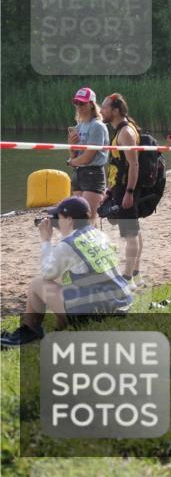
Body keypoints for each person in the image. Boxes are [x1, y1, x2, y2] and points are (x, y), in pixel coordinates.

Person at [1, 196, 132, 349]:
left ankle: (29, 331)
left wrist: (46, 241)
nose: (58, 221)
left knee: (38, 284)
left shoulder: (68, 245)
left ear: (69, 219)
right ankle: (60, 327)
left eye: (60, 217)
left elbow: (46, 273)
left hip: (96, 314)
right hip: (120, 305)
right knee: (63, 280)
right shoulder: (100, 235)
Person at [100, 93, 144, 290]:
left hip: (127, 188)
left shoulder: (125, 132)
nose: (101, 111)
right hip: (120, 187)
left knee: (130, 234)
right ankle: (136, 274)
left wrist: (129, 191)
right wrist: (110, 189)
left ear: (115, 110)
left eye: (105, 108)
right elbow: (119, 164)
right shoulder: (121, 130)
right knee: (134, 231)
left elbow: (133, 164)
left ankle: (127, 279)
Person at [66, 87, 109, 219]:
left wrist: (70, 162)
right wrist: (71, 147)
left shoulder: (97, 126)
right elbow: (76, 156)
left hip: (93, 174)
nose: (79, 106)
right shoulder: (79, 126)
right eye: (76, 103)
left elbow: (88, 157)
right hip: (78, 174)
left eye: (82, 103)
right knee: (78, 220)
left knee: (88, 220)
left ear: (91, 104)